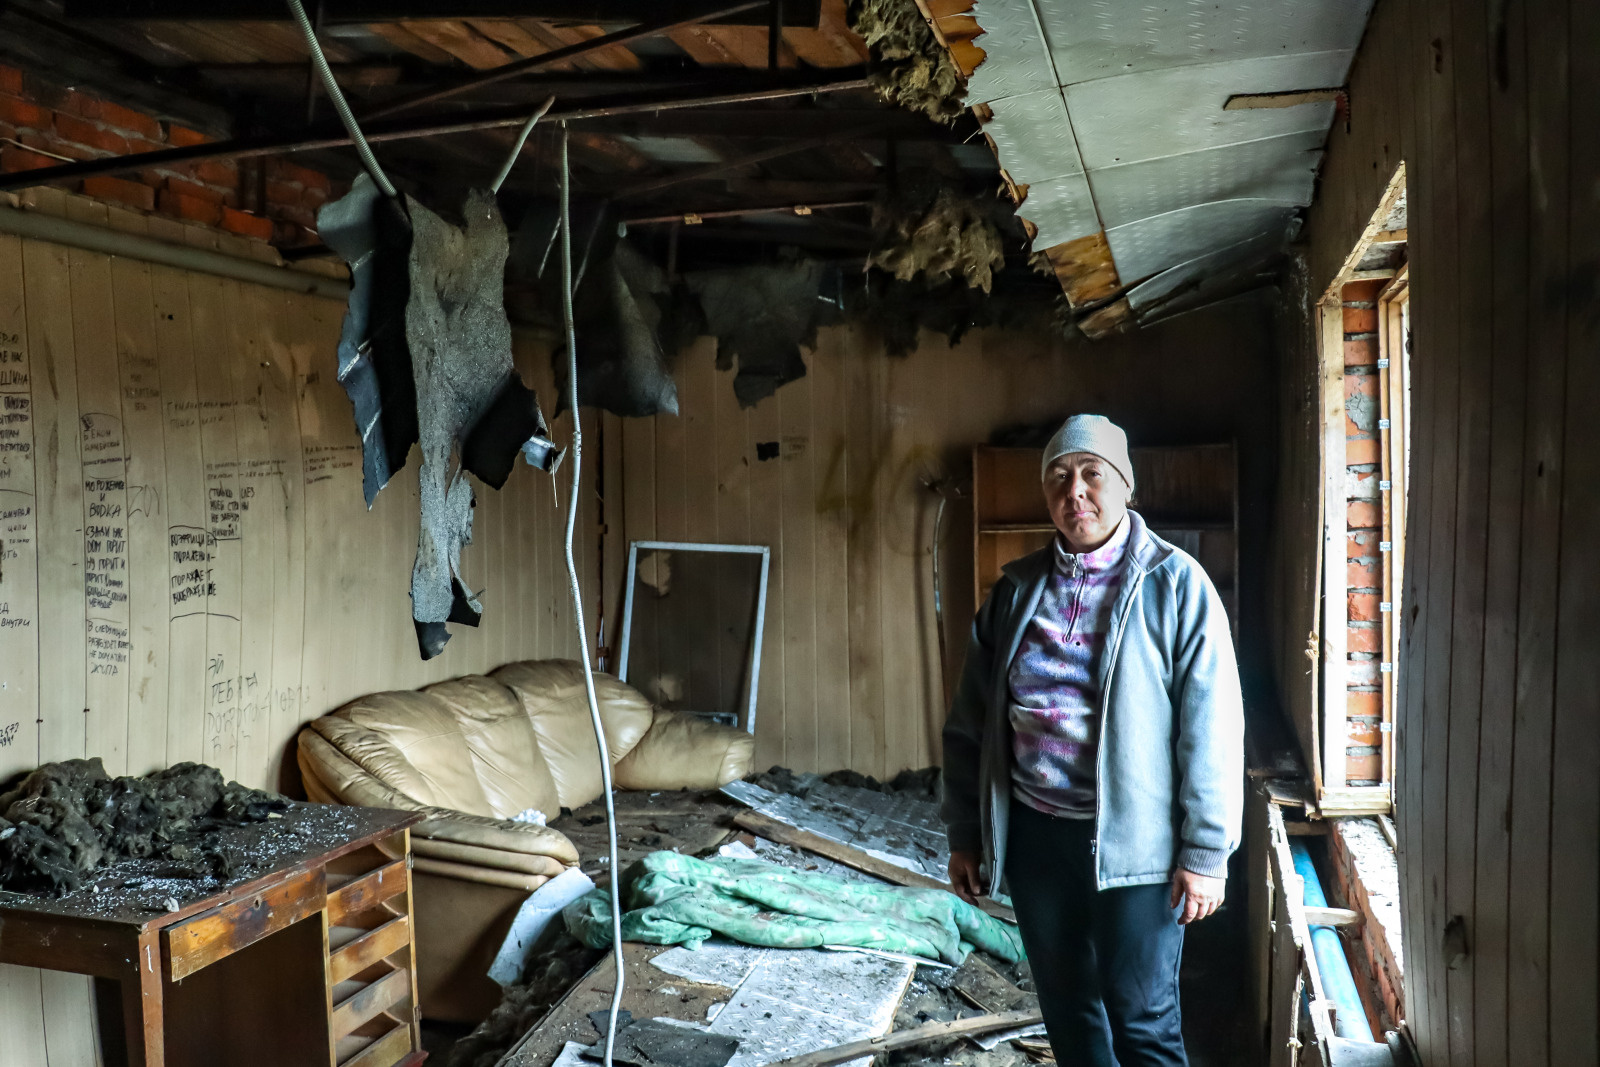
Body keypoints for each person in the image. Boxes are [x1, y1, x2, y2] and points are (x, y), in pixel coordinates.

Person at [941, 414, 1244, 1067]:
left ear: (1124, 485)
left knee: (1143, 1020)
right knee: (1071, 1017)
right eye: (1058, 476)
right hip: (1037, 840)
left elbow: (1211, 726)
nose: (1073, 490)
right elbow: (970, 723)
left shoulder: (1176, 584)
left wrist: (1206, 849)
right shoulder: (1017, 588)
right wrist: (966, 830)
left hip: (1138, 847)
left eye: (1090, 473)